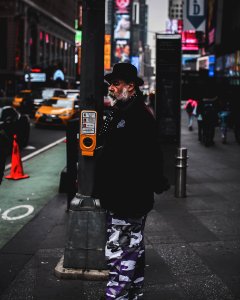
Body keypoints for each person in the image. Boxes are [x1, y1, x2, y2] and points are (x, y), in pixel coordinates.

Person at [94, 63, 170, 300]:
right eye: (111, 85)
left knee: (120, 253)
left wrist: (156, 181)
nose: (112, 89)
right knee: (132, 248)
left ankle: (117, 296)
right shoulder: (120, 111)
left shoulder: (138, 115)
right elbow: (107, 143)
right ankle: (133, 294)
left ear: (131, 85)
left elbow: (150, 155)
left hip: (127, 198)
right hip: (121, 196)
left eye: (116, 84)